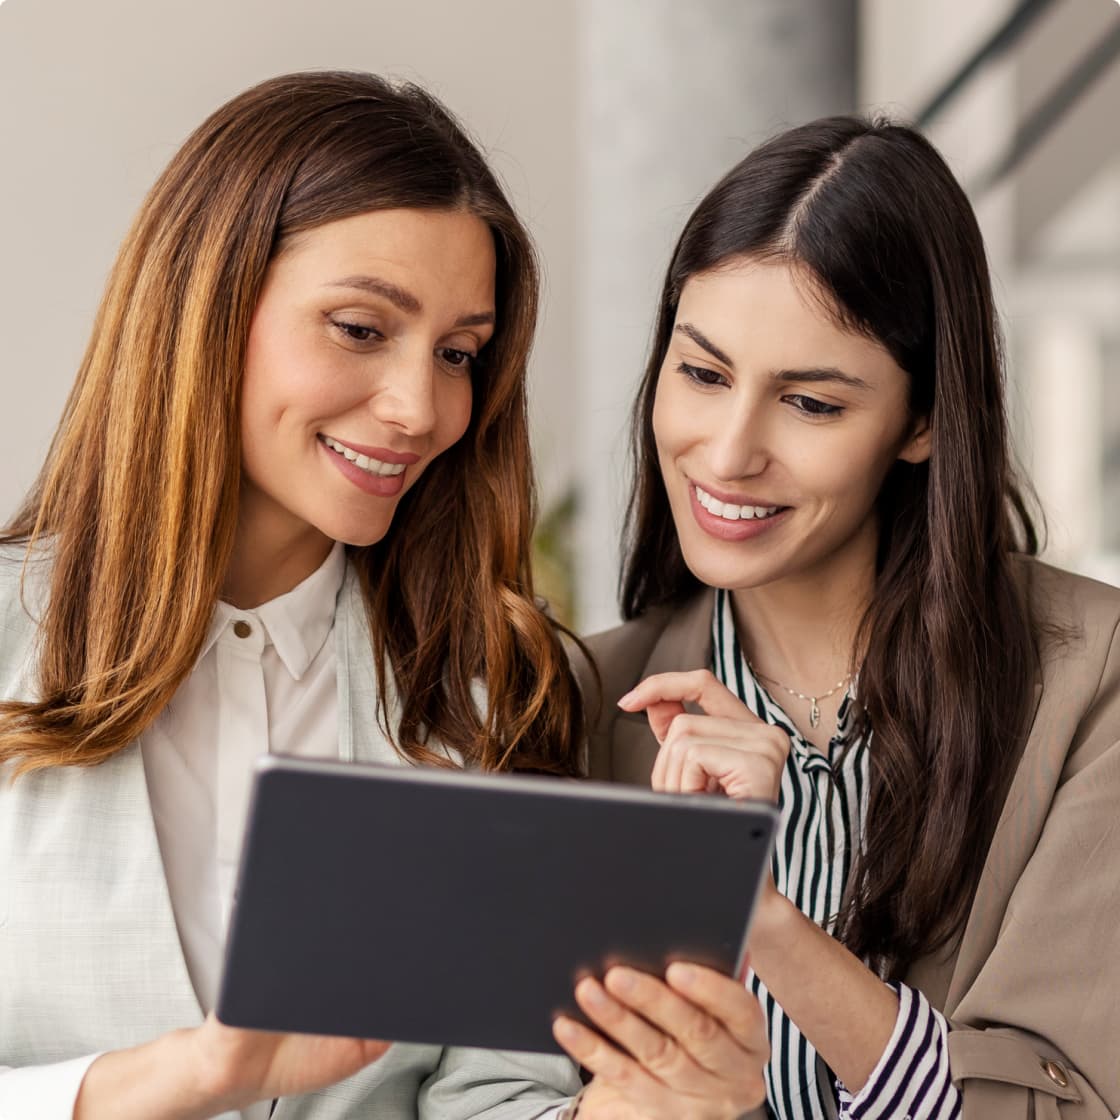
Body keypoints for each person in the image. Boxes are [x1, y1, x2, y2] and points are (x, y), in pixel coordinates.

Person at [0, 71, 767, 1120]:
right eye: (361, 329)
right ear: (205, 303)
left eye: (458, 353)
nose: (420, 407)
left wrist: (646, 1109)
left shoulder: (494, 691)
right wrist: (172, 1079)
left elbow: (494, 1094)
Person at [582, 115, 1120, 1120]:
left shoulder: (1094, 685)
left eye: (810, 403)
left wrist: (764, 919)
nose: (729, 451)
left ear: (921, 420)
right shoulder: (579, 702)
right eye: (702, 374)